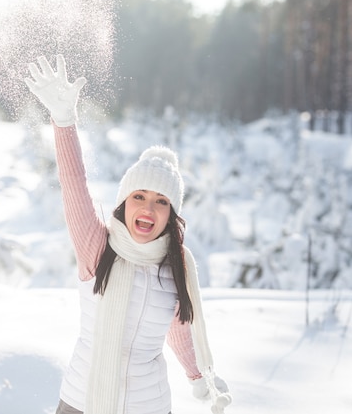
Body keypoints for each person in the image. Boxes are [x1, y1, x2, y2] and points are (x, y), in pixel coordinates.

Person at [25, 54, 231, 414]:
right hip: (81, 401)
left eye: (161, 201)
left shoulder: (176, 267)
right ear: (124, 203)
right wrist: (63, 122)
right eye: (139, 197)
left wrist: (199, 376)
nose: (148, 209)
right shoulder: (97, 247)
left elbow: (179, 330)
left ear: (172, 214)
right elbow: (74, 183)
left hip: (148, 406)